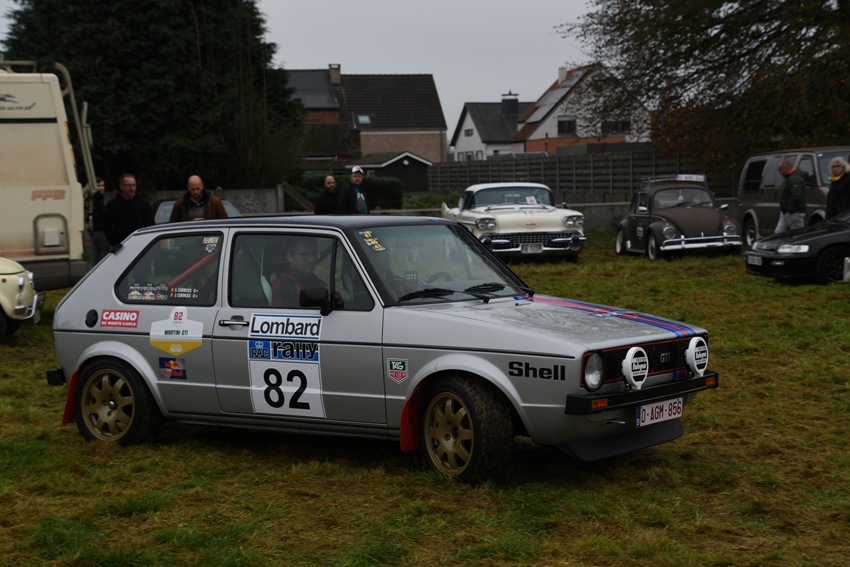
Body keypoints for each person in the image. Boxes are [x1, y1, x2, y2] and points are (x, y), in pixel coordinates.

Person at [271, 236, 327, 308]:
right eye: (304, 254)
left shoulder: (315, 281)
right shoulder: (282, 285)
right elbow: (282, 314)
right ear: (290, 257)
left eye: (314, 253)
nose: (312, 259)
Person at [106, 173, 154, 245]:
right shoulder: (112, 205)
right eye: (128, 185)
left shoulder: (144, 204)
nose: (132, 188)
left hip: (140, 244)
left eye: (133, 185)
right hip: (120, 244)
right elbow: (107, 226)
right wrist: (114, 243)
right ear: (121, 186)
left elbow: (150, 226)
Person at [774, 159, 806, 234]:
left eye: (780, 170)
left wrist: (790, 209)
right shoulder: (788, 178)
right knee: (778, 232)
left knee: (797, 233)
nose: (779, 172)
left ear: (785, 169)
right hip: (785, 211)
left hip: (794, 212)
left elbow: (796, 196)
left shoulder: (794, 179)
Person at [87, 176, 111, 267]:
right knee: (106, 255)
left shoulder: (91, 200)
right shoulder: (97, 200)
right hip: (100, 230)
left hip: (93, 231)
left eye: (102, 185)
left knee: (95, 256)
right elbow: (104, 214)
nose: (101, 188)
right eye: (98, 185)